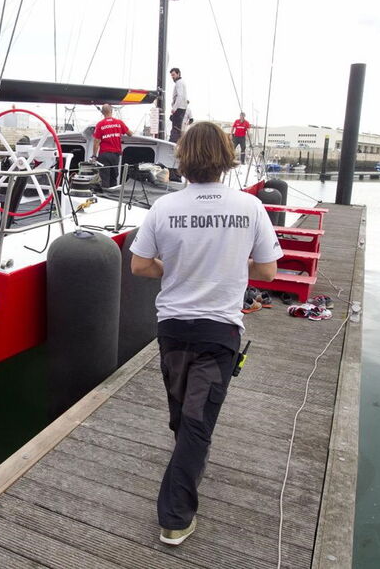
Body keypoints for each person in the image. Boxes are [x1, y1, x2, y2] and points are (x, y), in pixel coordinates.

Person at [129, 121, 281, 546]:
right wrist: (232, 265)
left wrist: (172, 267)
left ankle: (186, 471)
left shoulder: (164, 208)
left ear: (182, 159)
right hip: (219, 332)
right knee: (195, 422)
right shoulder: (250, 207)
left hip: (173, 328)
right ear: (227, 160)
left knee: (185, 414)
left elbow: (140, 265)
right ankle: (175, 518)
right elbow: (268, 271)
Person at [92, 103, 132, 188]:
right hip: (115, 155)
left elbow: (96, 141)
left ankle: (105, 194)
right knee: (114, 177)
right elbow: (130, 134)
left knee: (105, 178)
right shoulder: (119, 123)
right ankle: (113, 193)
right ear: (111, 111)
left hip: (104, 155)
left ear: (102, 112)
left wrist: (94, 155)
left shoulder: (100, 124)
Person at [169, 68, 187, 143]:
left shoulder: (179, 83)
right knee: (177, 128)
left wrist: (174, 108)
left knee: (175, 128)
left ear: (178, 74)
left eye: (173, 75)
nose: (172, 77)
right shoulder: (181, 82)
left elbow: (180, 96)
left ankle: (173, 143)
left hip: (179, 108)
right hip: (181, 107)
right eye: (171, 75)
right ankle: (177, 142)